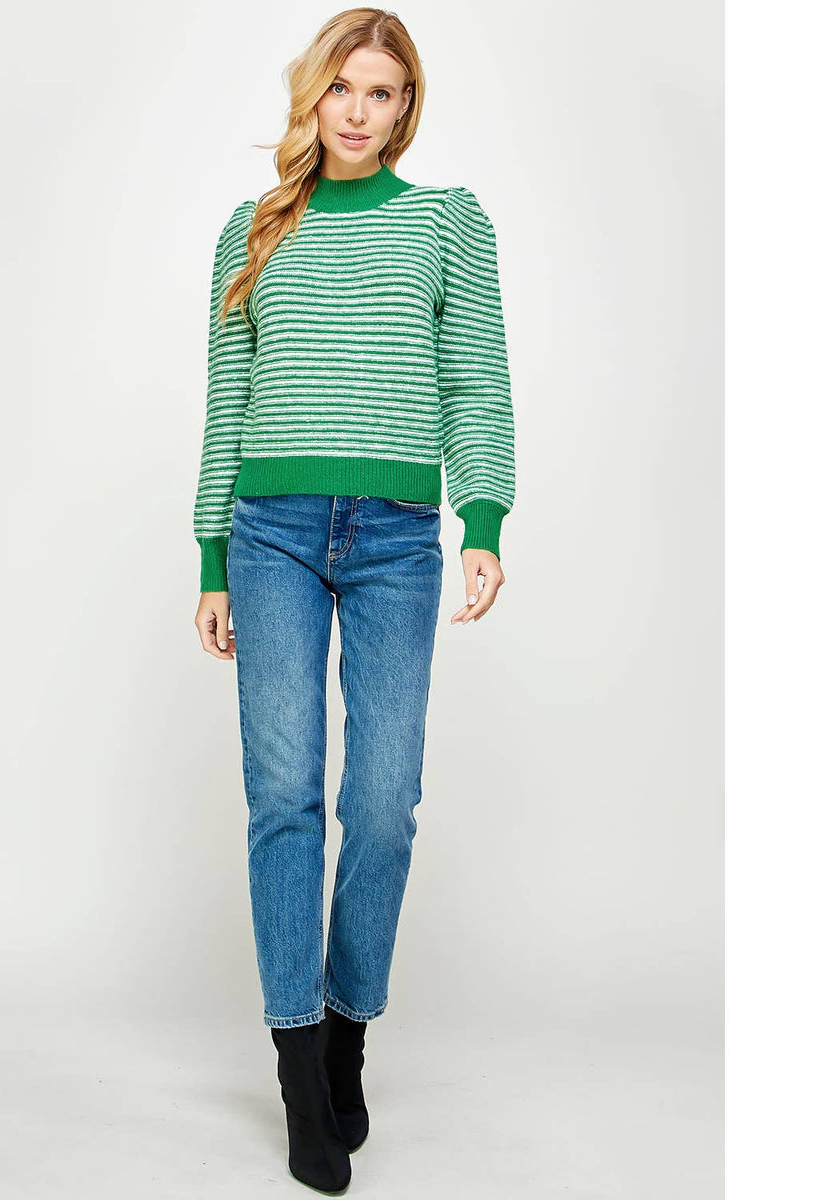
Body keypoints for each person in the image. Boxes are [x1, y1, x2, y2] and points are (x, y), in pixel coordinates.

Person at [191, 9, 515, 1193]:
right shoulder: (253, 229)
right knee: (285, 795)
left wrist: (484, 521)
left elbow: (476, 380)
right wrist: (212, 556)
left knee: (382, 804)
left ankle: (346, 1035)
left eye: (383, 92)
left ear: (405, 105)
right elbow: (228, 401)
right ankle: (297, 1074)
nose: (360, 112)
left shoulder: (448, 222)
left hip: (394, 542)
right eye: (342, 88)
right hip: (271, 534)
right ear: (312, 97)